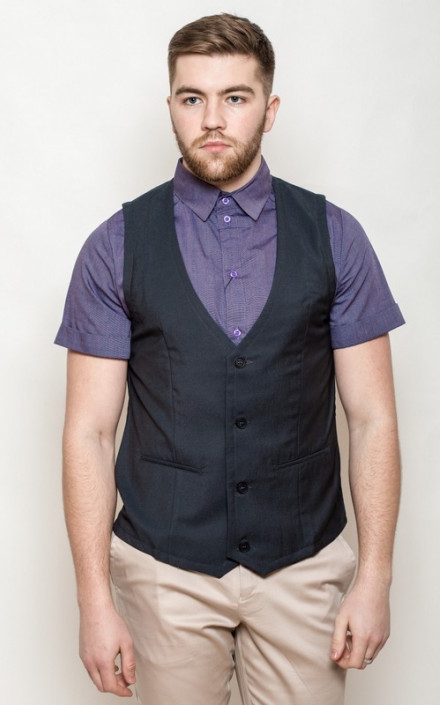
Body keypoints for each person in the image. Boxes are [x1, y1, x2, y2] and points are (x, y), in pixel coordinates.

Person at [56, 13, 404, 705]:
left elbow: (372, 419)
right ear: (171, 106)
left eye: (235, 97)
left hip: (303, 565)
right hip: (165, 570)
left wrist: (375, 578)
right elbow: (88, 433)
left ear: (269, 110)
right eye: (193, 98)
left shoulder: (336, 236)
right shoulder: (114, 245)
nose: (212, 119)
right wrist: (94, 602)